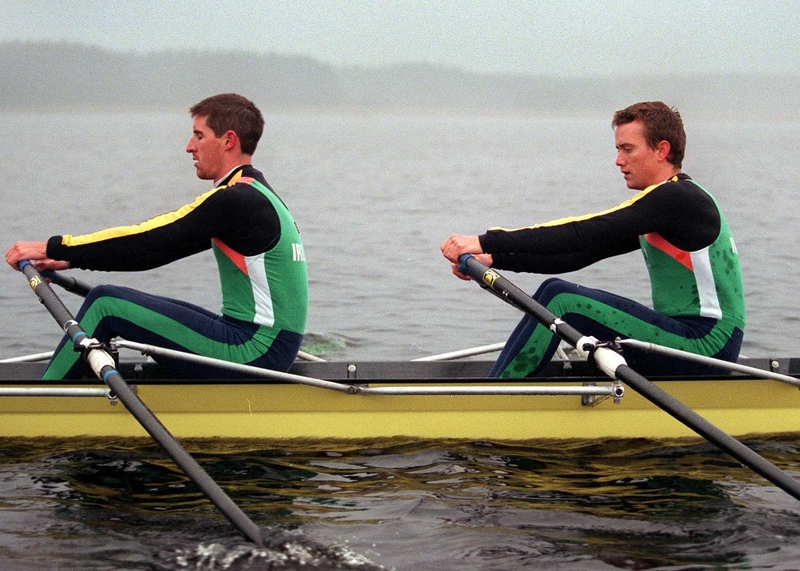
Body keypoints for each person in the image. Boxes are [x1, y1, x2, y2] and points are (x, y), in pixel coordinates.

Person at [5, 93, 308, 380]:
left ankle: (41, 400)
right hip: (265, 344)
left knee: (105, 303)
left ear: (228, 140)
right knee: (120, 301)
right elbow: (155, 248)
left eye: (199, 136)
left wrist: (55, 247)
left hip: (255, 351)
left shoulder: (237, 200)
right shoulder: (256, 193)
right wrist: (69, 260)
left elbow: (147, 244)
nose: (189, 147)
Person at [440, 101, 745, 377]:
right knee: (551, 290)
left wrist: (486, 241)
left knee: (561, 298)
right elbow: (579, 254)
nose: (618, 161)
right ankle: (501, 388)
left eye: (627, 149)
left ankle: (498, 397)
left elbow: (583, 232)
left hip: (708, 345)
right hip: (683, 338)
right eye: (618, 150)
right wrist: (495, 259)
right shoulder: (665, 206)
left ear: (661, 150)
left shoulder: (678, 199)